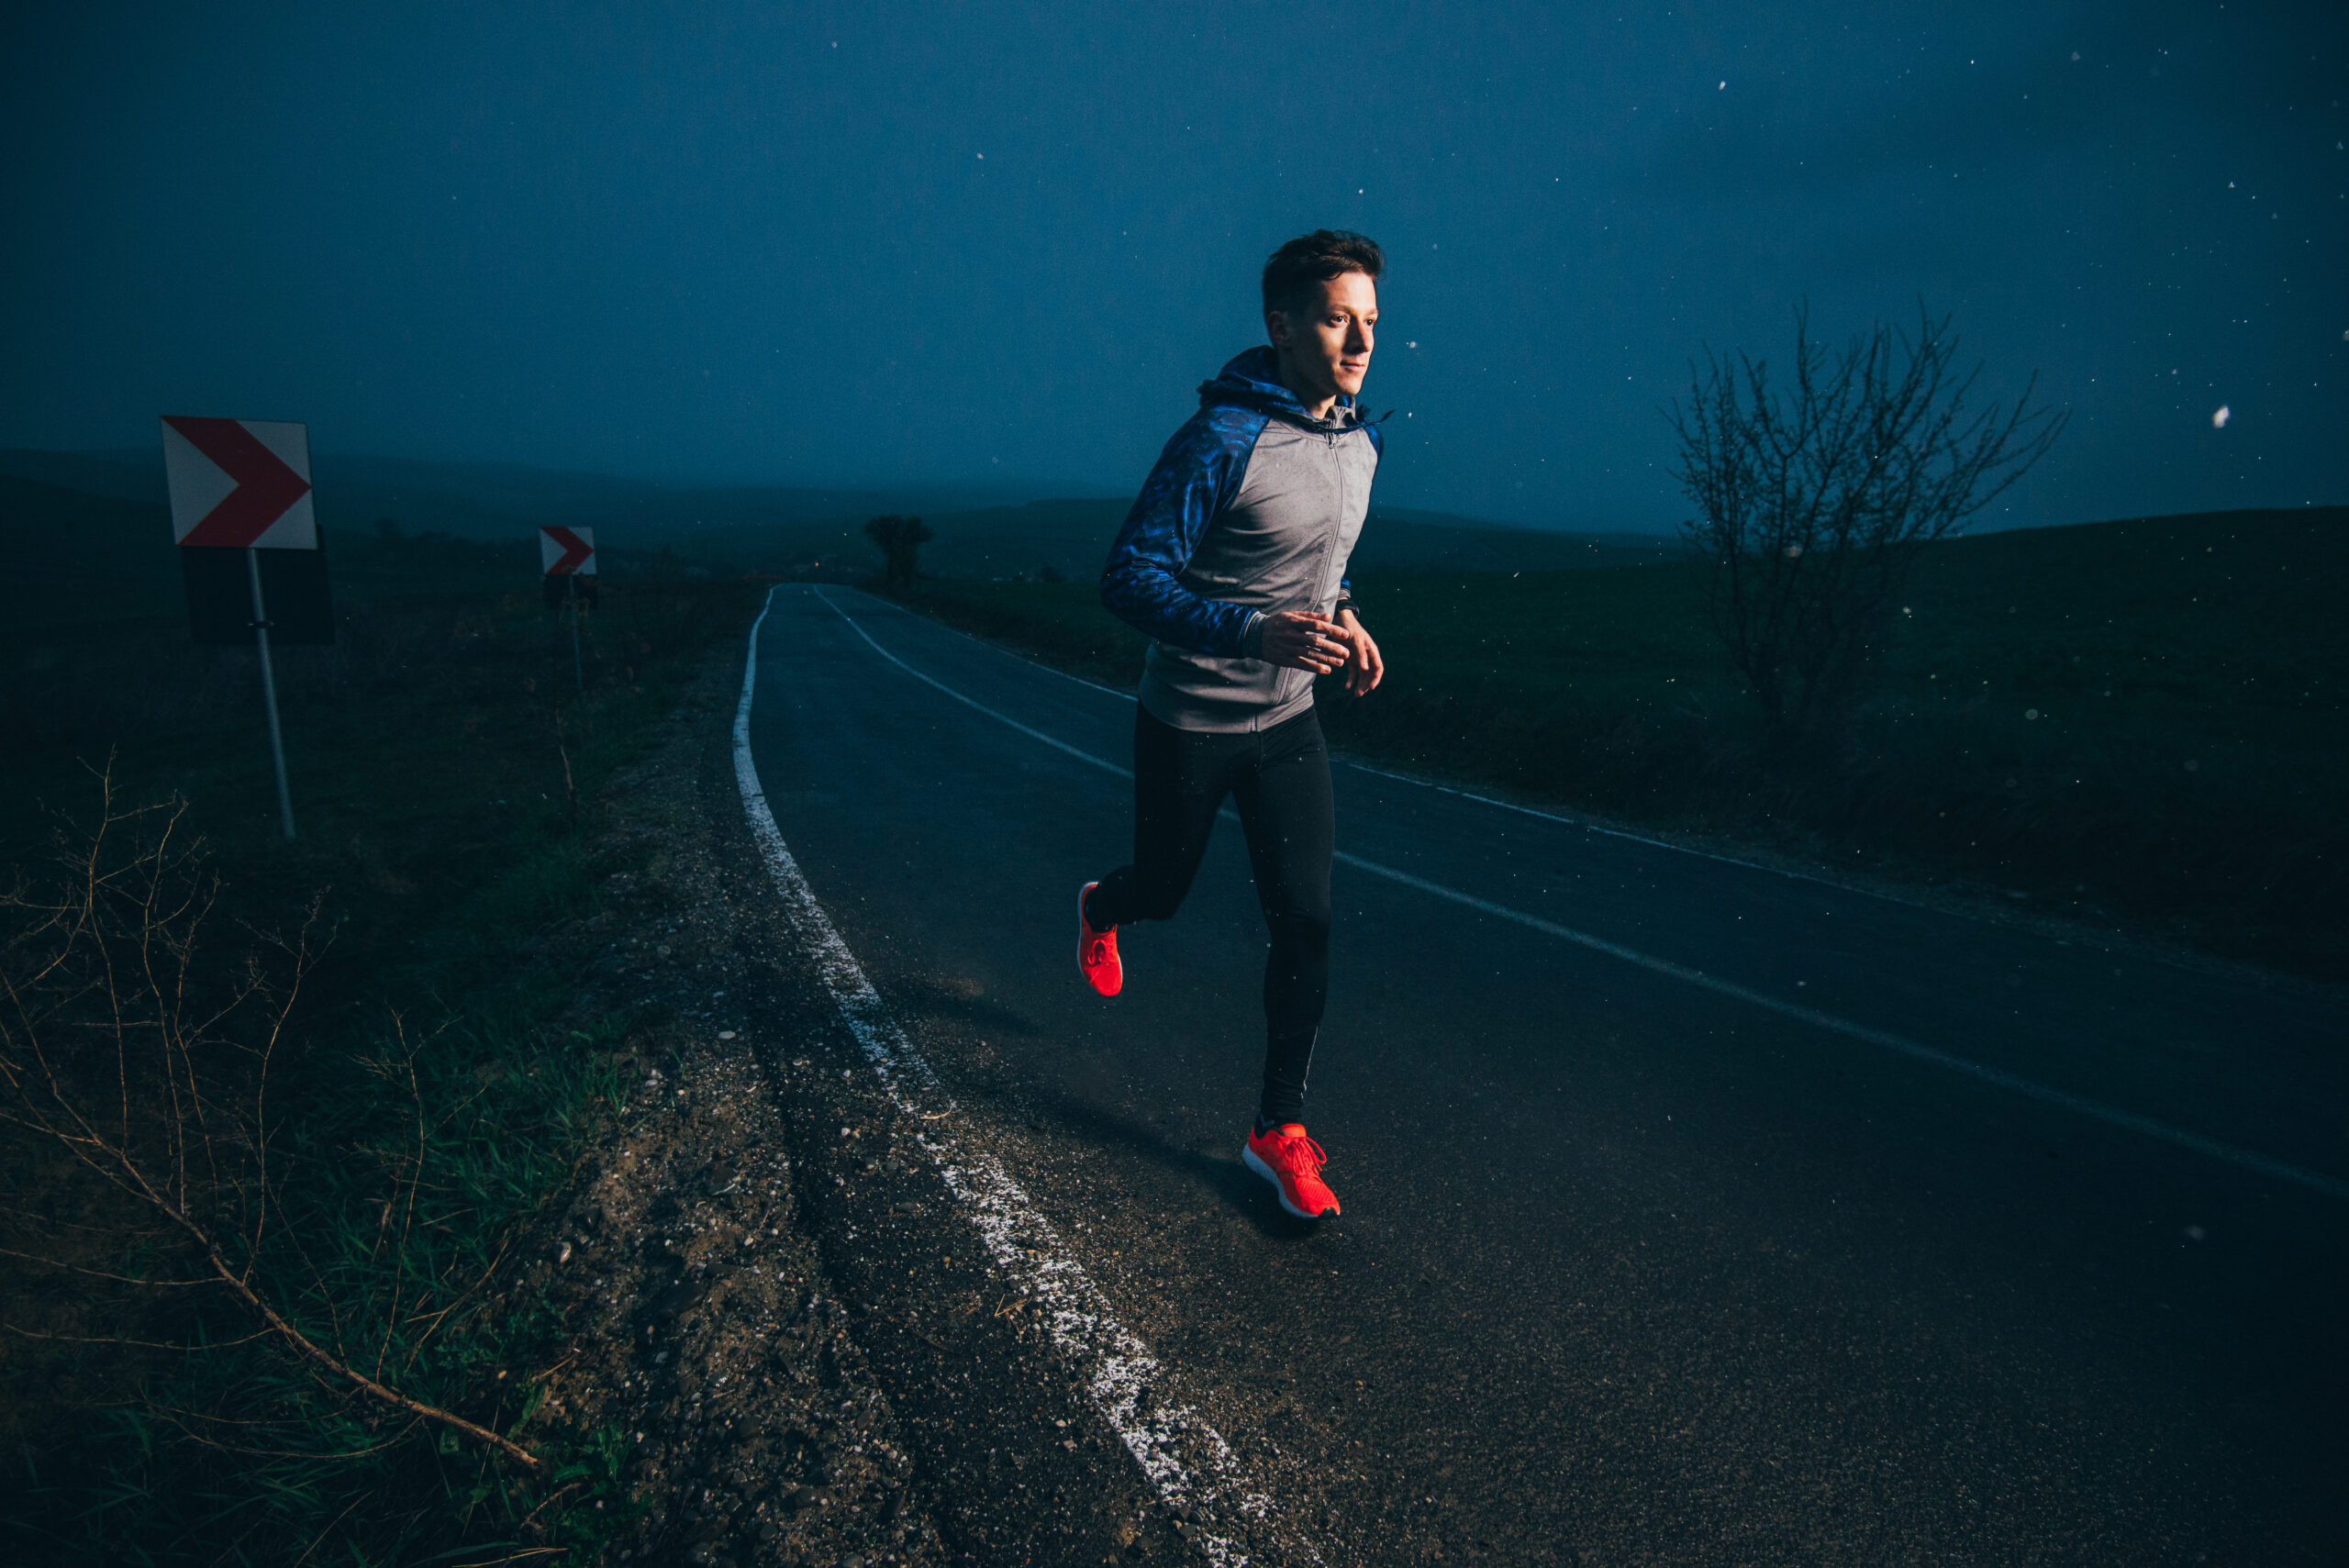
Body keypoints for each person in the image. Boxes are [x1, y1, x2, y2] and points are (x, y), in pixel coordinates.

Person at [1078, 229, 1386, 1222]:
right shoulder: (1219, 439)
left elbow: (1320, 558)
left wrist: (1343, 614)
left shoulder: (1361, 442)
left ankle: (1276, 1129)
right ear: (1282, 326)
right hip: (1190, 720)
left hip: (1288, 722)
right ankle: (1103, 904)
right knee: (1162, 890)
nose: (1360, 343)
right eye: (1337, 320)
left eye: (1370, 322)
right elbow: (1128, 577)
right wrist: (1253, 631)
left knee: (1306, 920)